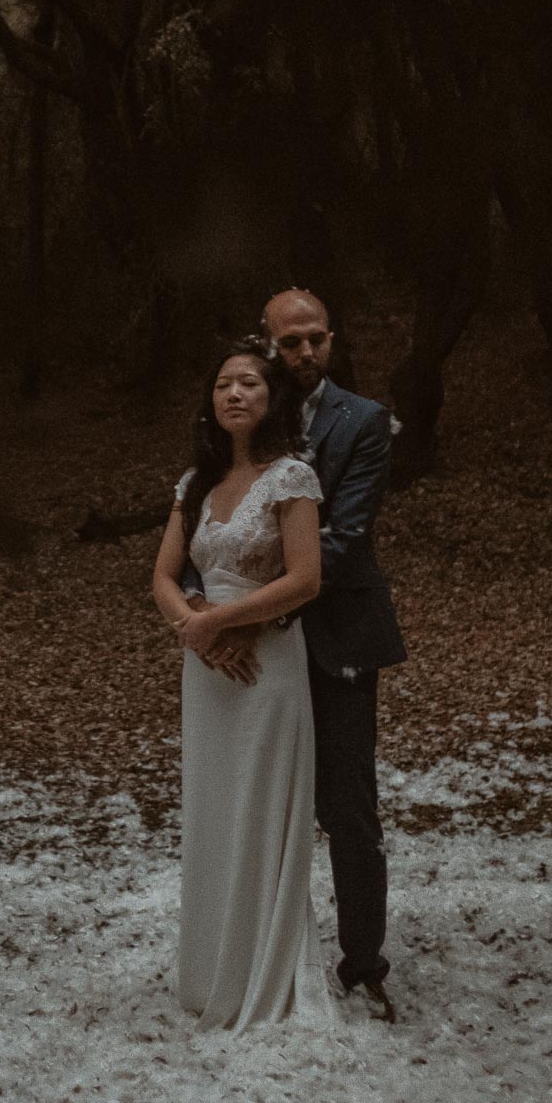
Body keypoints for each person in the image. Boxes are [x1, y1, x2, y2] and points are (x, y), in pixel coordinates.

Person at [194, 288, 407, 1023]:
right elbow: (212, 513)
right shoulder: (252, 413)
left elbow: (339, 540)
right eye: (290, 343)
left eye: (316, 338)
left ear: (332, 338)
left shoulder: (365, 421)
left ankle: (363, 963)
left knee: (347, 806)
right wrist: (203, 604)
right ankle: (260, 955)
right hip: (253, 648)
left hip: (336, 632)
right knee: (254, 802)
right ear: (269, 343)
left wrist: (250, 617)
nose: (305, 352)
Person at [152, 340, 339, 1030]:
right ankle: (210, 970)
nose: (235, 394)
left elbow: (306, 579)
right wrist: (196, 633)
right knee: (213, 808)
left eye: (251, 385)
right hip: (207, 671)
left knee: (262, 807)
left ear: (273, 398)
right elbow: (164, 576)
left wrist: (224, 622)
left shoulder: (291, 477)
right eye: (224, 384)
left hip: (268, 663)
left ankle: (265, 969)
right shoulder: (193, 483)